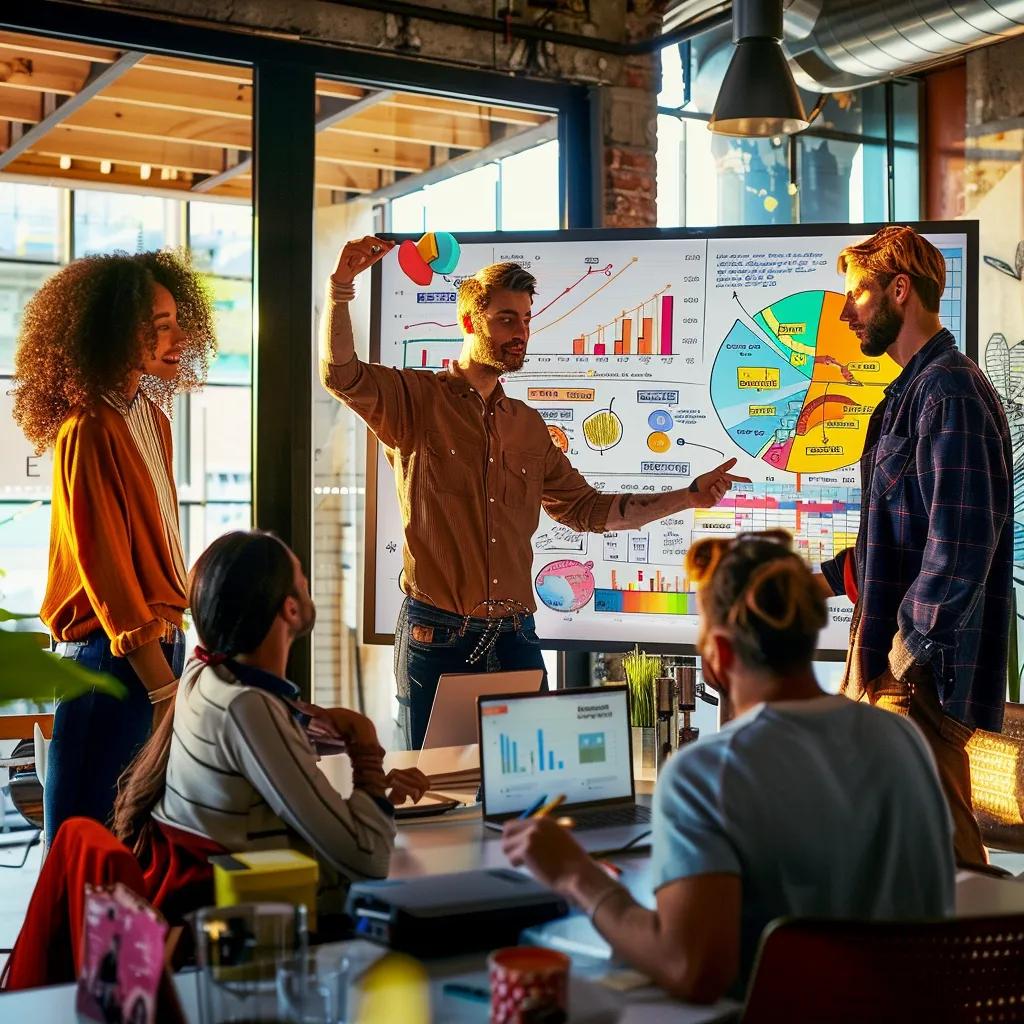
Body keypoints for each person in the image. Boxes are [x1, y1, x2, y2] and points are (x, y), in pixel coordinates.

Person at [320, 237, 749, 747]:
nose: (521, 332)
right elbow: (340, 373)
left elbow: (588, 510)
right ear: (468, 323)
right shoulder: (414, 400)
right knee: (434, 790)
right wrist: (341, 288)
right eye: (506, 319)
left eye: (525, 319)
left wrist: (689, 496)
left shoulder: (527, 426)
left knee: (530, 788)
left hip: (517, 635)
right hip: (437, 637)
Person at [503, 531, 955, 1004]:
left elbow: (692, 970)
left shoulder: (706, 774)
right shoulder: (902, 740)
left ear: (717, 655)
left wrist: (574, 874)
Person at [813, 225, 1013, 867]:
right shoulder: (912, 392)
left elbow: (960, 546)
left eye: (856, 295)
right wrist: (814, 580)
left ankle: (986, 967)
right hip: (896, 668)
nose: (845, 313)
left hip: (920, 676)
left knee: (946, 860)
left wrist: (903, 659)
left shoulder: (948, 390)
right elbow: (899, 538)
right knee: (897, 856)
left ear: (900, 291)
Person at [112, 530, 428, 920]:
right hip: (253, 927)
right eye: (302, 580)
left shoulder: (204, 673)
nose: (308, 583)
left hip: (208, 901)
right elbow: (370, 860)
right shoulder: (248, 709)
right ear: (290, 610)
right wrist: (365, 747)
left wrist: (375, 796)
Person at [11, 250, 217, 846]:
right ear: (113, 331)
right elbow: (108, 575)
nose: (178, 336)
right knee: (84, 848)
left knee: (135, 846)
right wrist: (162, 687)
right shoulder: (88, 428)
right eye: (160, 326)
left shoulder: (151, 417)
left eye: (179, 320)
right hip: (113, 661)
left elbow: (157, 552)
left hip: (160, 652)